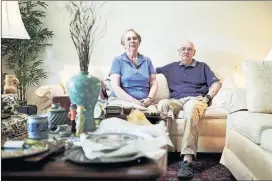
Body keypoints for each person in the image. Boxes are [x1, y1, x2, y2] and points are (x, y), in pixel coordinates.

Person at [156, 40, 222, 179]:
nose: (186, 51)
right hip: (176, 100)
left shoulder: (203, 67)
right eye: (183, 49)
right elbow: (150, 73)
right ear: (179, 52)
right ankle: (163, 152)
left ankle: (187, 160)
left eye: (189, 49)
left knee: (191, 109)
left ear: (194, 52)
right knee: (162, 104)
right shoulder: (170, 67)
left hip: (195, 99)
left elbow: (216, 83)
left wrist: (208, 97)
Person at [109, 29, 158, 108]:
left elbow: (154, 83)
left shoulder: (147, 60)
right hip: (124, 101)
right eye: (128, 39)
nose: (132, 41)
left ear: (139, 42)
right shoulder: (118, 60)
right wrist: (134, 102)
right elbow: (115, 87)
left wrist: (149, 99)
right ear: (124, 44)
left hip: (144, 102)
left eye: (134, 38)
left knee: (157, 115)